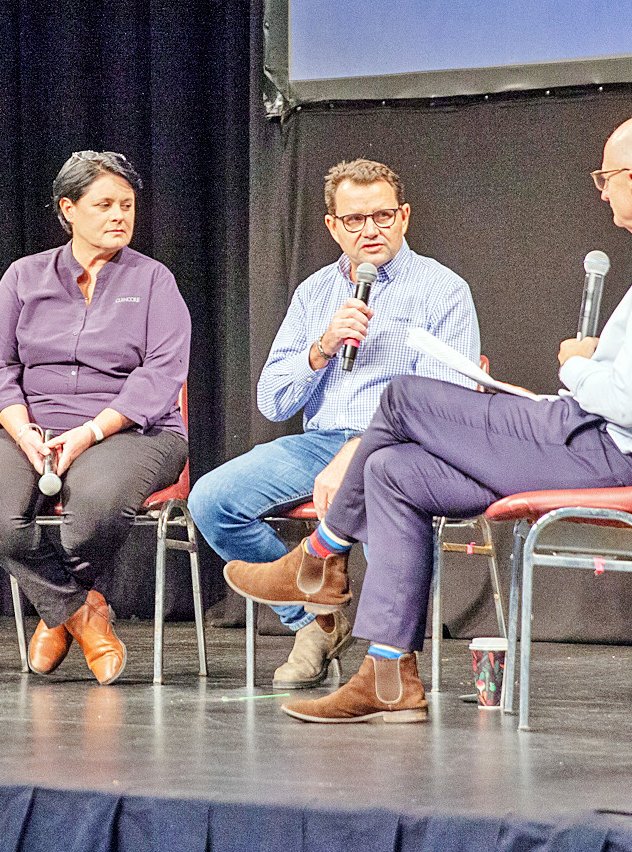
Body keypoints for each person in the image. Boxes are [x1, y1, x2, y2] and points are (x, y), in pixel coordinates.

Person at [225, 112, 632, 724]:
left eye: (606, 177)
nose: (603, 190)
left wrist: (578, 365)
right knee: (394, 471)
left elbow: (630, 401)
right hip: (594, 438)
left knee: (403, 395)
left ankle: (321, 555)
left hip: (606, 451)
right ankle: (389, 675)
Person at [189, 159, 479, 688]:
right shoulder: (314, 293)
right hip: (318, 444)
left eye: (383, 216)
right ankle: (317, 622)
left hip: (402, 450)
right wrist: (321, 349)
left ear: (405, 217)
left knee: (387, 513)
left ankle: (387, 665)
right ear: (332, 226)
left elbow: (441, 410)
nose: (371, 230)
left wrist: (359, 453)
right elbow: (272, 401)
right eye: (354, 220)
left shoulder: (443, 290)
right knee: (212, 499)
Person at [0, 151, 190, 685]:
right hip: (32, 424)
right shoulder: (24, 276)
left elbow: (163, 373)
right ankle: (78, 611)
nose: (119, 216)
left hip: (135, 430)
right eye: (104, 205)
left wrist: (92, 431)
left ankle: (54, 611)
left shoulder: (155, 280)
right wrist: (22, 432)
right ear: (68, 209)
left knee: (97, 505)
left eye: (127, 206)